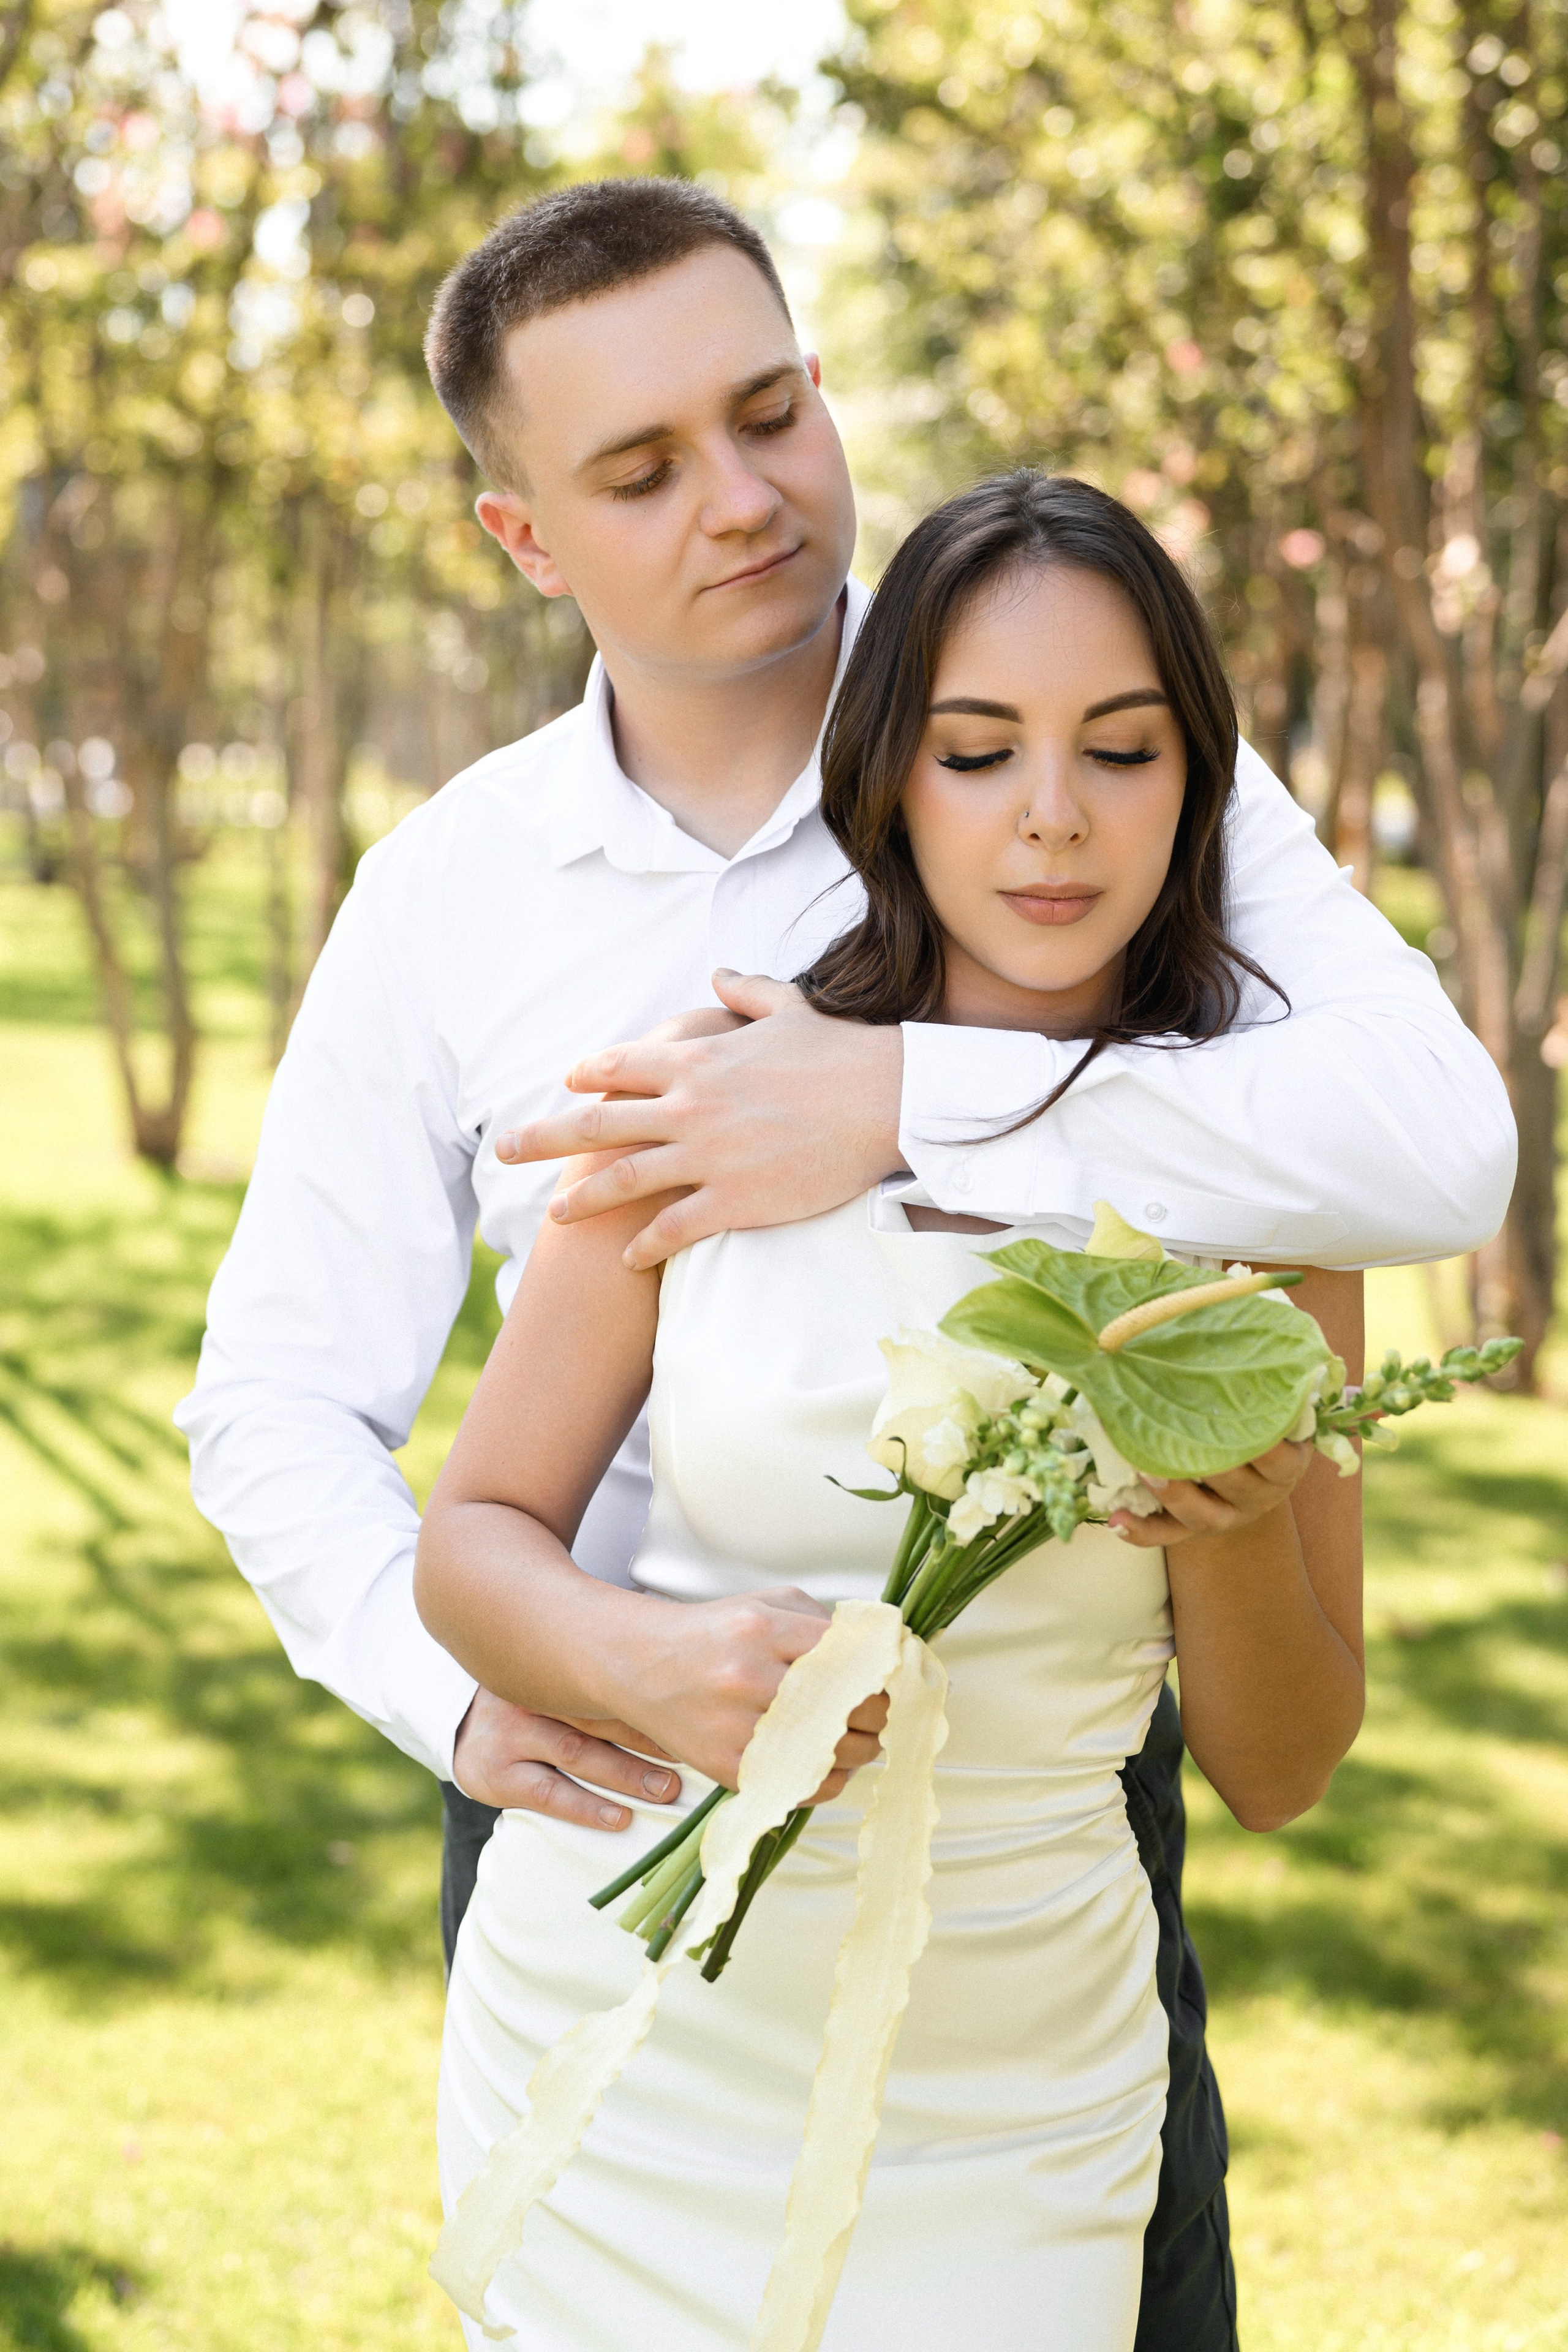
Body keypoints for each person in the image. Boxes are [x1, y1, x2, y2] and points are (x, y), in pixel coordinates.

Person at [173, 178, 1513, 2352]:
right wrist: (512, 1692)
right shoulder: (450, 894)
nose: (747, 497)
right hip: (614, 1802)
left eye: (770, 410)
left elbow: (1432, 1143)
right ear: (524, 537)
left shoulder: (1068, 705)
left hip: (1042, 1861)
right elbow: (279, 1401)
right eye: (640, 469)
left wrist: (901, 1097)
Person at [415, 471, 1367, 2351]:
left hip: (1022, 2111)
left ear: (1199, 785)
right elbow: (472, 1540)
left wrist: (1242, 1521)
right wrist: (644, 1662)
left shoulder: (1267, 1185)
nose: (1052, 815)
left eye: (1122, 749)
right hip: (634, 2059)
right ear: (885, 779)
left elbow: (1281, 1772)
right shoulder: (712, 1088)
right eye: (977, 751)